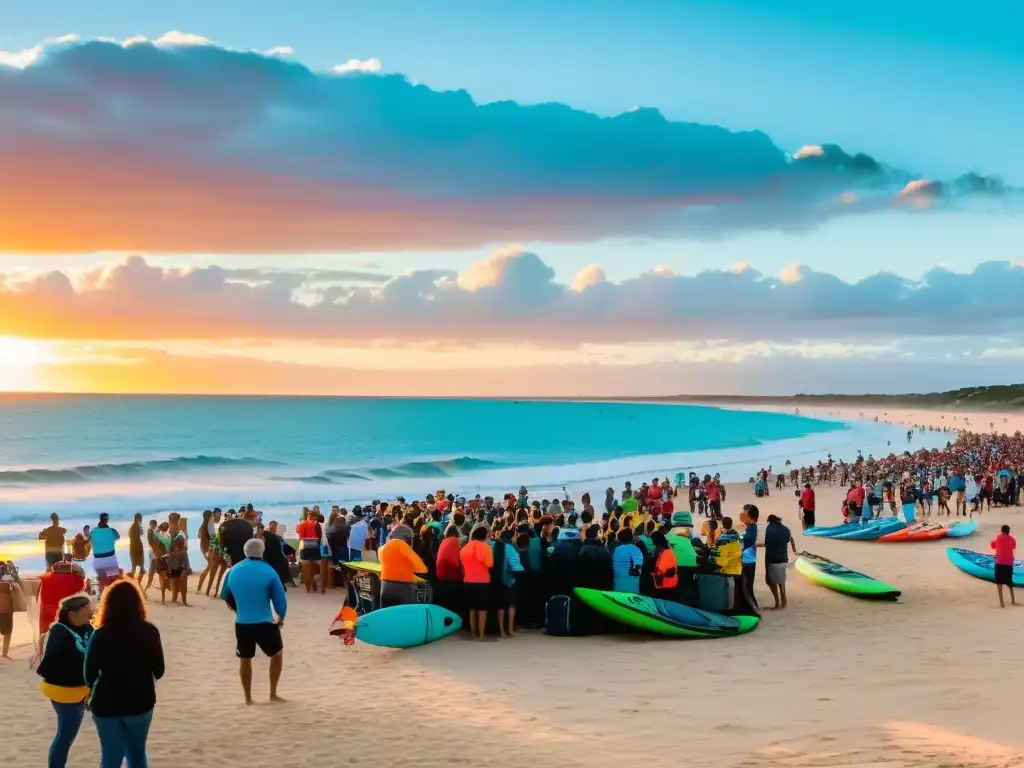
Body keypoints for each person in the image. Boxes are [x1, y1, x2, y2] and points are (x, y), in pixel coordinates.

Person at [84, 579, 164, 768]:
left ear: (108, 605)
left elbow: (88, 675)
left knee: (110, 757)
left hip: (106, 703)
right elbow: (159, 671)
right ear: (137, 603)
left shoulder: (101, 634)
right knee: (136, 754)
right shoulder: (150, 631)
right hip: (140, 701)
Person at [220, 537, 287, 704]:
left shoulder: (233, 570)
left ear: (245, 551)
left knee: (245, 659)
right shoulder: (269, 571)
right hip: (265, 622)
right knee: (276, 654)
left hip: (242, 622)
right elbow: (280, 601)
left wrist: (238, 608)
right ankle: (273, 693)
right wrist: (280, 617)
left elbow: (224, 594)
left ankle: (248, 698)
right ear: (262, 552)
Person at [36, 593, 93, 768]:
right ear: (73, 614)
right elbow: (56, 664)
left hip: (81, 690)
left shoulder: (87, 628)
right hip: (64, 691)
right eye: (87, 609)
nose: (91, 612)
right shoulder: (59, 631)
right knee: (66, 735)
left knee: (67, 733)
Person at [36, 557, 88, 660]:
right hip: (63, 612)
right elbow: (81, 598)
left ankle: (42, 655)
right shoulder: (77, 579)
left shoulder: (45, 578)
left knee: (44, 633)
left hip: (46, 610)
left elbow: (37, 595)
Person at [378, 524, 428, 607]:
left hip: (385, 587)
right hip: (403, 589)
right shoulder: (404, 547)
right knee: (405, 616)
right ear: (407, 538)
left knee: (386, 616)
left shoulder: (383, 548)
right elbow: (422, 568)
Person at [460, 524, 494, 640]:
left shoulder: (464, 548)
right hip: (483, 581)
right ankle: (481, 634)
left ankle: (473, 632)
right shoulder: (486, 547)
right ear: (484, 536)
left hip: (468, 581)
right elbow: (490, 564)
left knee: (472, 608)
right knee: (482, 608)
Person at [761, 514, 797, 610]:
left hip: (772, 559)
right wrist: (794, 550)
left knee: (770, 581)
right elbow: (790, 539)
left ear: (770, 521)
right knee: (781, 582)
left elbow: (767, 544)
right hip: (783, 559)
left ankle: (777, 603)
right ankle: (784, 602)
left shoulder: (769, 529)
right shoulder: (786, 529)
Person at [89, 513, 121, 593]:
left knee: (102, 580)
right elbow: (118, 537)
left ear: (100, 519)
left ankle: (101, 594)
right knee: (112, 581)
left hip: (98, 560)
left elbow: (89, 539)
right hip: (110, 559)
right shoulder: (112, 531)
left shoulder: (93, 531)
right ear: (107, 520)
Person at [294, 509, 321, 593]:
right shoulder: (317, 525)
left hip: (305, 546)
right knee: (313, 567)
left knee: (305, 569)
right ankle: (312, 582)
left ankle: (309, 586)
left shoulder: (301, 525)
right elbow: (320, 537)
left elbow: (300, 536)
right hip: (315, 546)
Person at [740, 504, 761, 613]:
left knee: (748, 589)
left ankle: (755, 610)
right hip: (748, 561)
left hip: (748, 562)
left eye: (744, 514)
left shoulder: (752, 528)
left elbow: (747, 541)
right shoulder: (749, 527)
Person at [991, 524, 1017, 608]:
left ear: (1001, 531)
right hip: (1009, 564)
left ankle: (1002, 604)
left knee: (999, 582)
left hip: (1000, 563)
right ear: (1008, 532)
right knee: (1009, 582)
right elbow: (1013, 546)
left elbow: (992, 545)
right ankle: (1013, 601)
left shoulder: (998, 537)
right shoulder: (1012, 539)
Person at [611, 529, 644, 594]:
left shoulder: (616, 549)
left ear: (620, 539)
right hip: (631, 585)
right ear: (631, 538)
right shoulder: (635, 549)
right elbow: (638, 567)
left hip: (617, 584)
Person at [127, 513, 146, 582]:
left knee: (134, 566)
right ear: (138, 518)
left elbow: (131, 536)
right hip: (137, 547)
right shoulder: (136, 526)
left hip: (133, 547)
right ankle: (136, 582)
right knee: (139, 567)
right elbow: (141, 533)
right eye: (141, 518)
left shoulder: (133, 526)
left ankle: (134, 581)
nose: (141, 520)